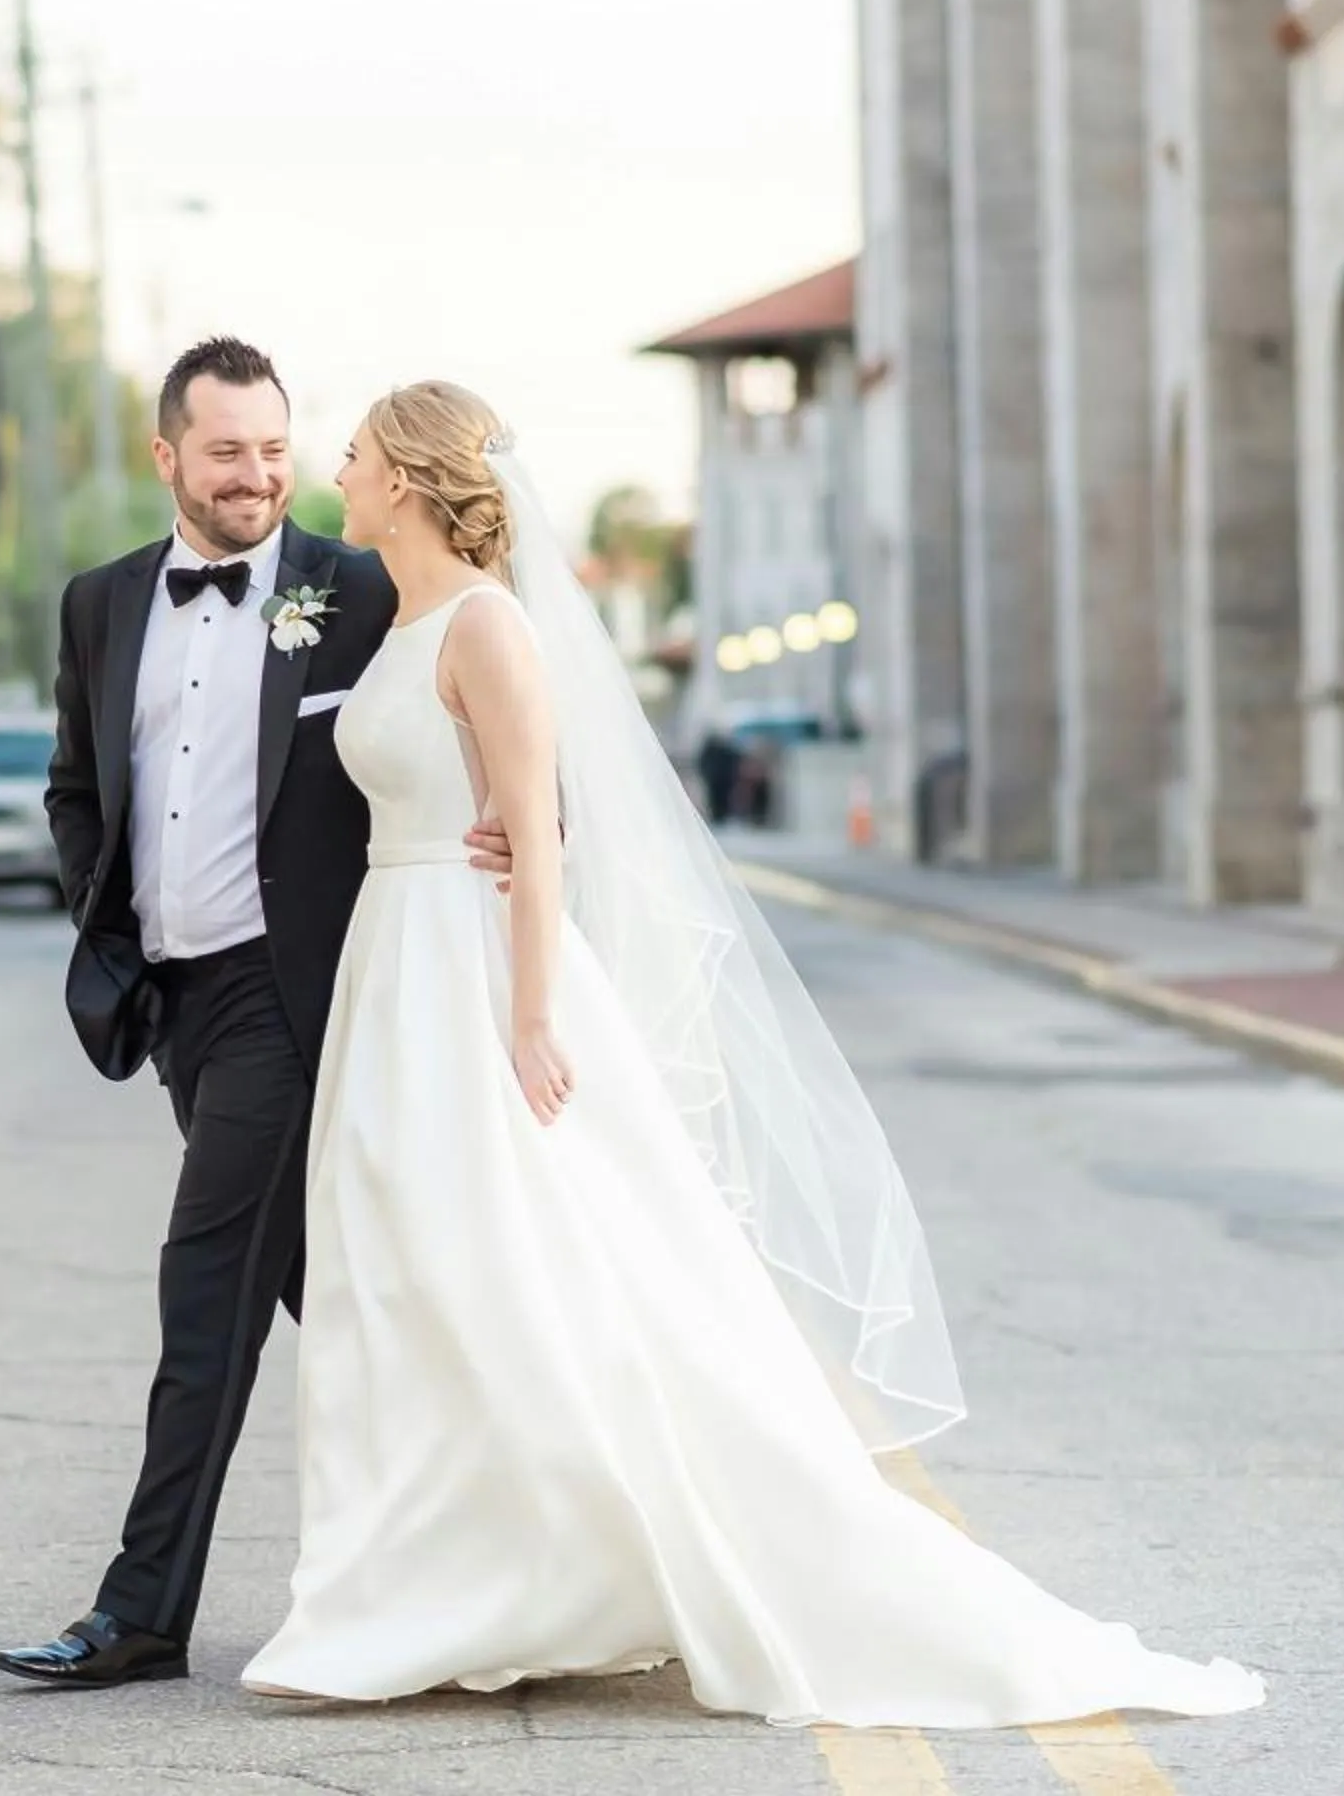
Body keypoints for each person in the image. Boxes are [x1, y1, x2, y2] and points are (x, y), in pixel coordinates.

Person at [235, 381, 1265, 1728]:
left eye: (359, 456)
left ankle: (528, 1576)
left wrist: (534, 1016)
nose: (341, 474)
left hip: (473, 973)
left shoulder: (490, 627)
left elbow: (538, 839)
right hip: (396, 960)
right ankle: (431, 1578)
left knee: (517, 1265)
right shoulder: (401, 619)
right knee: (412, 1276)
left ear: (417, 480)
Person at [0, 340, 510, 1689]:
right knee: (338, 1301)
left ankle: (141, 1609)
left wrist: (510, 828)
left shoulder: (358, 586)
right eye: (227, 453)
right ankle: (517, 1547)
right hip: (182, 1004)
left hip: (299, 995)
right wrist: (112, 930)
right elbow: (75, 785)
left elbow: (489, 672)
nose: (260, 476)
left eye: (277, 449)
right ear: (168, 457)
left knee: (205, 1291)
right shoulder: (100, 605)